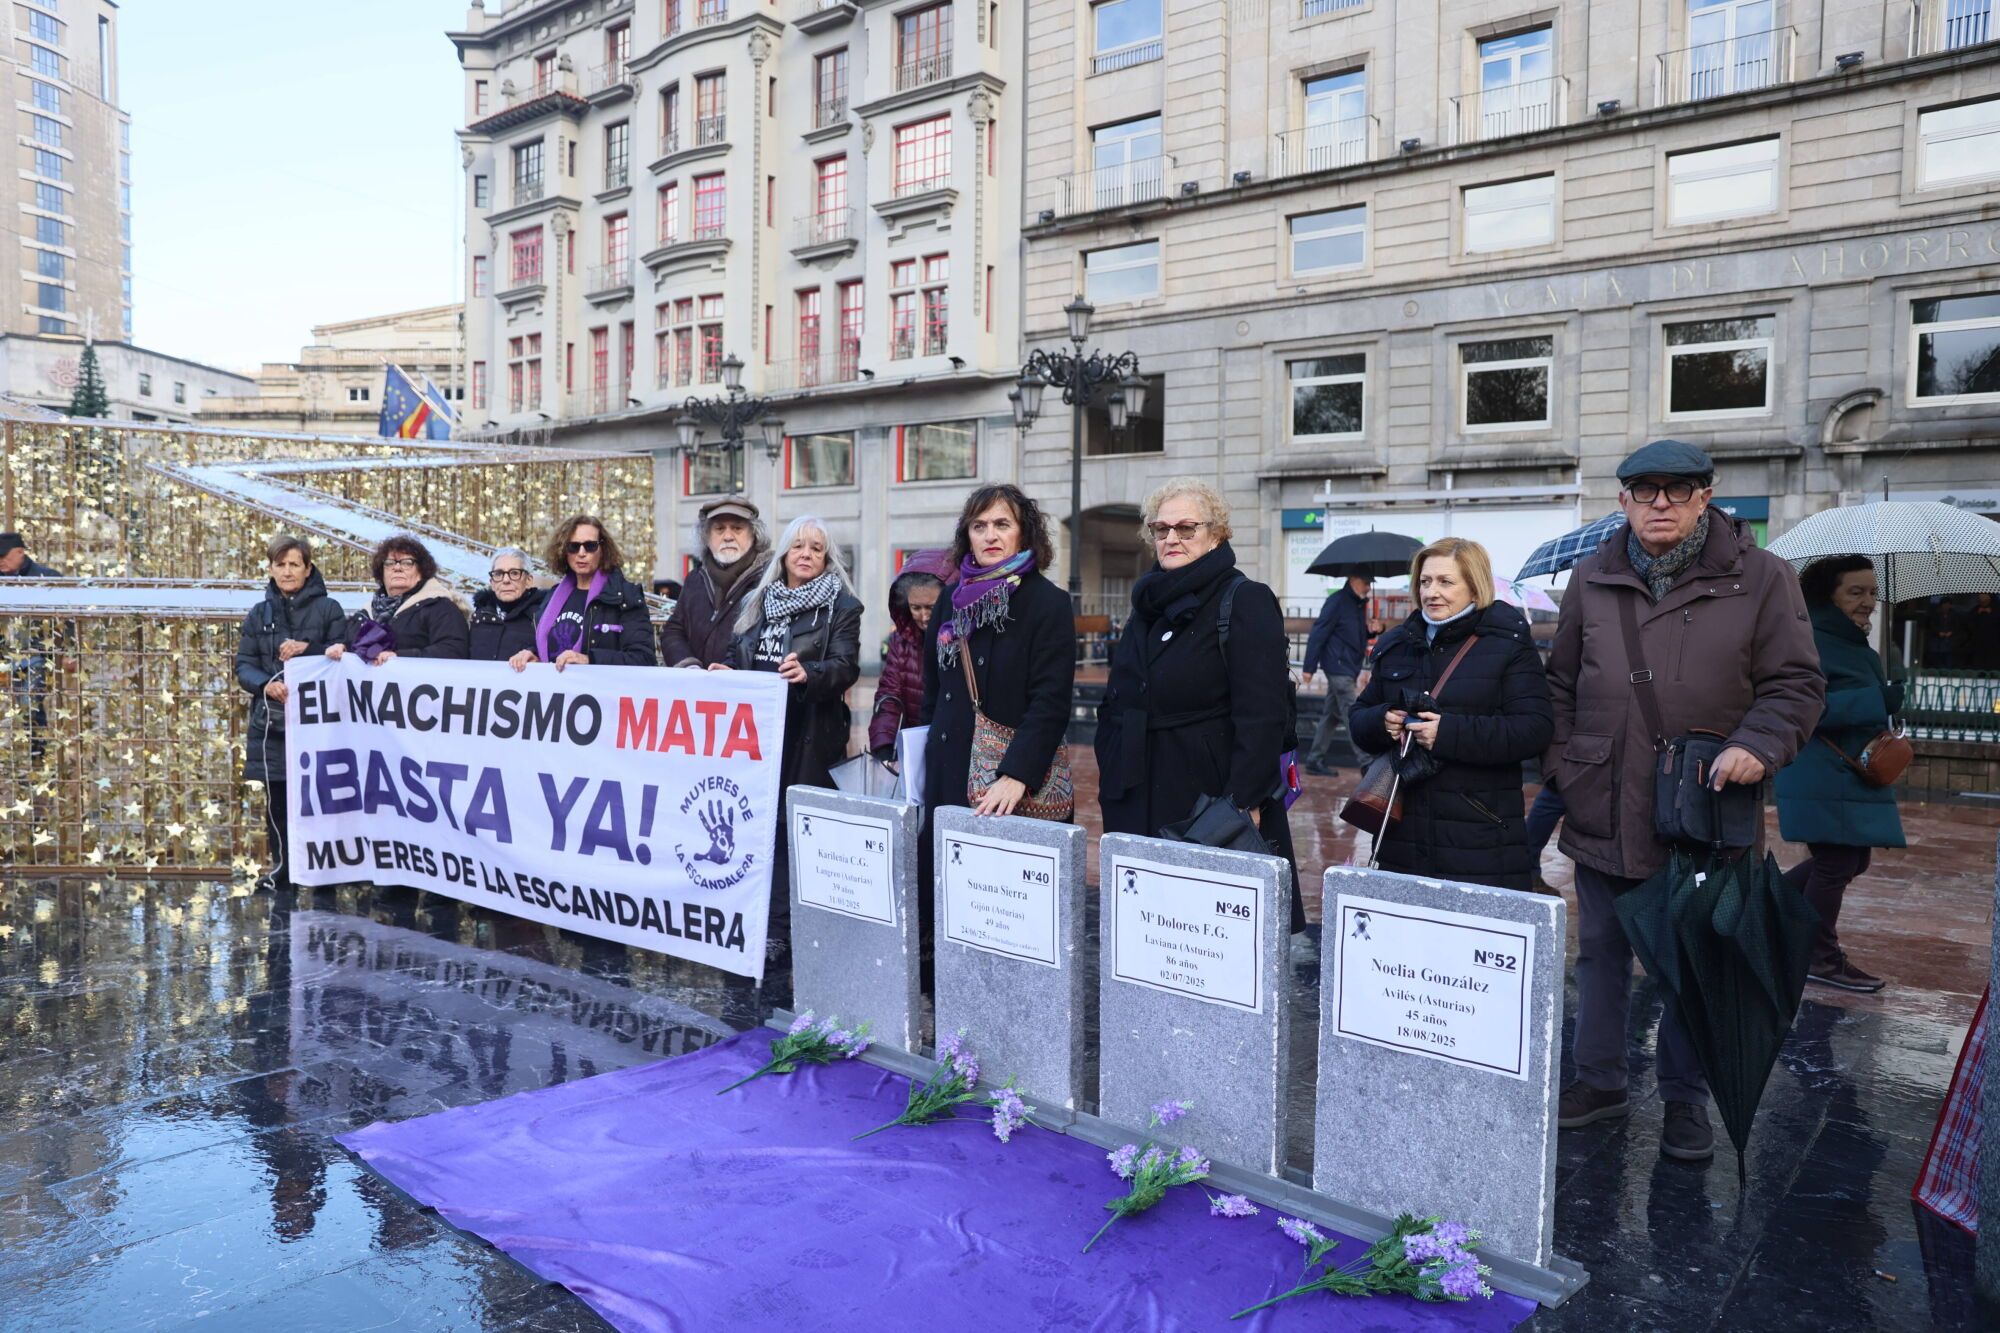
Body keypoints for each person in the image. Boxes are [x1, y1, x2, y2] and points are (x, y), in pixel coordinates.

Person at [1545, 440, 1823, 1163]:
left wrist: (1757, 745)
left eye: (1677, 489)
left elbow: (1795, 685)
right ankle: (1598, 1081)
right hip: (1602, 802)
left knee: (1696, 962)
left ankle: (1684, 1100)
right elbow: (1559, 687)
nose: (1659, 502)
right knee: (1600, 953)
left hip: (1705, 806)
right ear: (1623, 501)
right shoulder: (1592, 576)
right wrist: (1567, 765)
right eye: (1644, 489)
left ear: (1707, 495)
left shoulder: (1763, 578)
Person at [1095, 478, 1302, 932]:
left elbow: (1262, 713)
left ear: (1216, 534)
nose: (1171, 538)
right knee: (1145, 927)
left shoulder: (1244, 599)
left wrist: (1243, 802)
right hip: (1137, 791)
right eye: (1161, 528)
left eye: (1187, 528)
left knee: (1207, 933)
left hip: (1207, 797)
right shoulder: (1148, 601)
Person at [1349, 537, 1553, 893]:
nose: (1432, 592)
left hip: (1480, 836)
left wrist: (1447, 733)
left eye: (1446, 582)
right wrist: (1382, 720)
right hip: (1402, 836)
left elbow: (1534, 728)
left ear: (1474, 585)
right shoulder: (1398, 645)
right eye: (1425, 582)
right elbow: (1358, 718)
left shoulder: (1507, 643)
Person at [719, 515, 862, 953]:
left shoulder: (842, 606)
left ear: (826, 558)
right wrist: (725, 671)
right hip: (756, 735)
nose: (806, 554)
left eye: (816, 548)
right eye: (798, 545)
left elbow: (845, 666)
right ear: (783, 553)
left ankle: (781, 930)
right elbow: (735, 651)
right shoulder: (757, 600)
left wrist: (810, 672)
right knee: (752, 825)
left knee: (789, 831)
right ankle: (755, 914)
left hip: (807, 732)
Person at [1776, 556, 1905, 993]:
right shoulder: (1809, 639)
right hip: (1820, 771)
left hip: (1850, 773)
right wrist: (1877, 700)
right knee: (1835, 861)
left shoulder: (1852, 641)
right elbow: (1804, 706)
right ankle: (1819, 956)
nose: (1869, 601)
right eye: (1856, 592)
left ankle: (1766, 909)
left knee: (1854, 859)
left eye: (1872, 592)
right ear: (1826, 596)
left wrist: (1888, 688)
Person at [234, 535, 346, 891]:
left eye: (294, 564)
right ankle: (284, 869)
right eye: (280, 564)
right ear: (270, 569)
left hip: (320, 725)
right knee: (278, 800)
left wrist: (309, 648)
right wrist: (265, 684)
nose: (287, 571)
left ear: (308, 568)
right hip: (273, 725)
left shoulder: (330, 610)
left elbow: (343, 654)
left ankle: (325, 873)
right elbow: (244, 665)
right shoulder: (259, 613)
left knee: (322, 797)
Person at [520, 515, 655, 670]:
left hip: (600, 692)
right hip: (554, 691)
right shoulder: (553, 596)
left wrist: (589, 659)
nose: (581, 553)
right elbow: (547, 647)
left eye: (590, 546)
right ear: (564, 551)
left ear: (603, 549)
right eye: (573, 546)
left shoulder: (625, 596)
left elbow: (643, 658)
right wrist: (532, 654)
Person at [661, 498, 770, 668]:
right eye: (719, 529)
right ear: (706, 537)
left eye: (737, 528)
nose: (728, 536)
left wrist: (733, 669)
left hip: (743, 690)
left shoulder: (769, 579)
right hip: (695, 690)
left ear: (754, 535)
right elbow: (674, 630)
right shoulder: (695, 579)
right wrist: (688, 665)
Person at [327, 535, 469, 664]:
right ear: (381, 573)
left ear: (421, 572)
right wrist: (341, 649)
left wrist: (400, 658)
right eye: (389, 563)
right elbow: (348, 646)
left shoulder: (440, 607)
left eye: (407, 563)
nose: (397, 567)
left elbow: (454, 651)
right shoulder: (363, 615)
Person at [869, 550, 951, 763]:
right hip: (914, 747)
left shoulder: (966, 638)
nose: (924, 617)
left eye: (931, 607)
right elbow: (890, 694)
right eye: (916, 608)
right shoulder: (900, 641)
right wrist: (884, 745)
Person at [1301, 574, 1378, 775]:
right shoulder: (1336, 602)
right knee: (1352, 712)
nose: (1369, 587)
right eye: (1366, 582)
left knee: (1331, 716)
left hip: (1348, 666)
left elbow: (1352, 633)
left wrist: (1372, 631)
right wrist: (1309, 667)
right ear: (1353, 579)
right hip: (1338, 666)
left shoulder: (1357, 604)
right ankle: (1366, 762)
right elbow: (1319, 633)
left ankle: (1314, 760)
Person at [469, 547, 547, 667]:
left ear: (528, 581)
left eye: (514, 573)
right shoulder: (478, 619)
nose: (506, 580)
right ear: (492, 583)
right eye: (499, 574)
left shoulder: (542, 619)